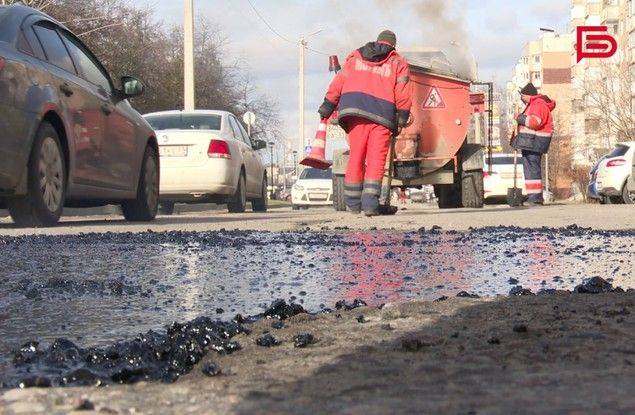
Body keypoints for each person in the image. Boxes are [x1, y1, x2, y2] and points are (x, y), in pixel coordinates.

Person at [317, 30, 412, 216]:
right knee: (376, 159)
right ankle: (369, 204)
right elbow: (402, 92)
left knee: (356, 155)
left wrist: (327, 106)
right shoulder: (398, 62)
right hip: (382, 114)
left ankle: (353, 204)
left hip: (354, 111)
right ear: (394, 45)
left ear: (378, 41)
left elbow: (339, 82)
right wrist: (402, 118)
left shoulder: (356, 56)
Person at [512, 82, 556, 205]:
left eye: (522, 95)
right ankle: (533, 196)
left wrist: (519, 118)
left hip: (535, 141)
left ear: (527, 95)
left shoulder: (538, 104)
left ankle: (535, 198)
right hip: (532, 141)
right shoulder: (534, 104)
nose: (521, 98)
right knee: (530, 169)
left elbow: (535, 122)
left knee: (532, 169)